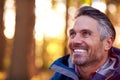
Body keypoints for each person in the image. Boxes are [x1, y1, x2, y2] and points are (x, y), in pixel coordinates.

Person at [49, 6, 120, 80]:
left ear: (107, 43)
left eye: (86, 33)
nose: (75, 41)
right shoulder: (60, 76)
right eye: (73, 34)